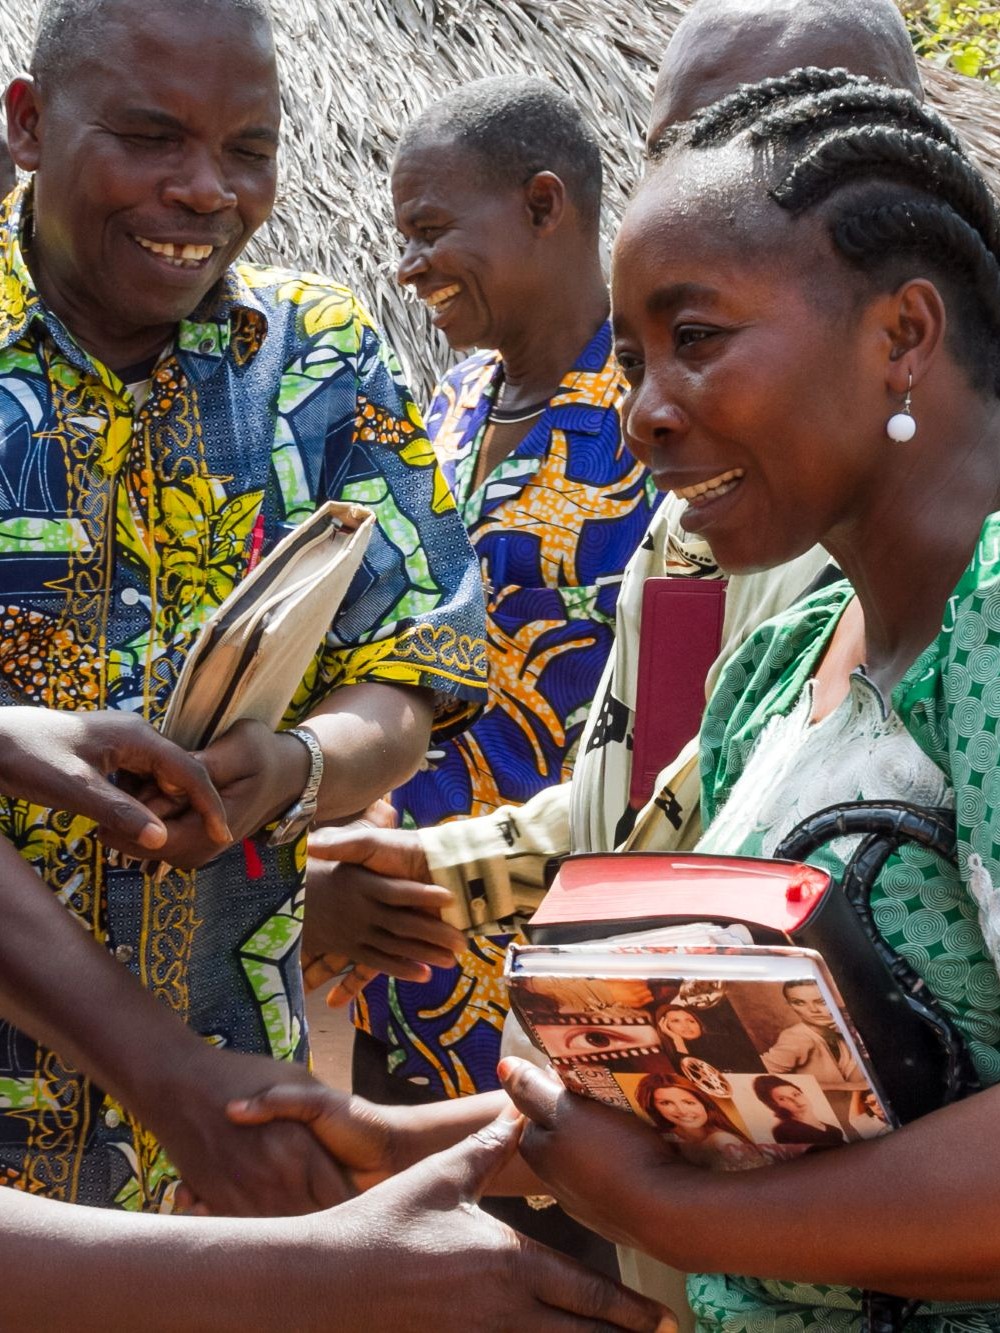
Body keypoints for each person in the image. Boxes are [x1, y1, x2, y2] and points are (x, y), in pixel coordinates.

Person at [232, 56, 1000, 1333]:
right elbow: (728, 1081)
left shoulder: (988, 624)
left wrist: (678, 1220)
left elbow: (686, 1185)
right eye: (634, 360)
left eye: (694, 341)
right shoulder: (787, 659)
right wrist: (395, 1140)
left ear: (902, 335)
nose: (642, 413)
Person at [305, 0, 923, 992]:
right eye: (675, 150)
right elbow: (646, 804)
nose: (703, 188)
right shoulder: (695, 507)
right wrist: (439, 871)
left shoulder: (955, 546)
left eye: (762, 147)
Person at [0, 0, 486, 1214]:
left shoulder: (320, 358)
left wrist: (301, 765)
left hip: (230, 1140)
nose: (207, 190)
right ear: (29, 124)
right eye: (151, 137)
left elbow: (415, 665)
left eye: (249, 150)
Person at [334, 76, 658, 1102]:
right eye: (403, 237)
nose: (407, 264)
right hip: (408, 939)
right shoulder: (457, 400)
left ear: (543, 204)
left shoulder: (656, 413)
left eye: (431, 230)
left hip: (570, 945)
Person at [635, 1073, 757, 1166]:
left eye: (689, 1102)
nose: (682, 1111)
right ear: (654, 1108)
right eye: (666, 1103)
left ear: (704, 1104)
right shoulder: (666, 1137)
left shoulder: (721, 1141)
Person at [761, 980, 863, 1086]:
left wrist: (854, 1033)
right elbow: (757, 1074)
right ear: (790, 1005)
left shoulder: (843, 1033)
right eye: (799, 1002)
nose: (813, 1010)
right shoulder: (796, 1038)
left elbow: (858, 1082)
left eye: (822, 1001)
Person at [751, 1075, 846, 1149]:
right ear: (774, 1105)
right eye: (782, 1099)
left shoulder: (824, 1125)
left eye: (796, 1094)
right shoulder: (784, 1131)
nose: (796, 1101)